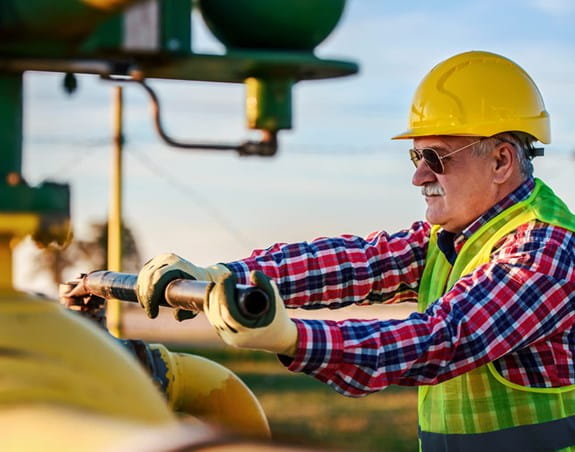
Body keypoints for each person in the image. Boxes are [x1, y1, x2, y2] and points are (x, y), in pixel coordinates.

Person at [135, 51, 575, 451]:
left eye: (437, 158)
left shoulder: (545, 250)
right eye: (415, 158)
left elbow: (442, 338)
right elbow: (355, 262)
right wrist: (222, 275)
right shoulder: (456, 237)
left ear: (501, 162)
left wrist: (292, 338)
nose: (419, 177)